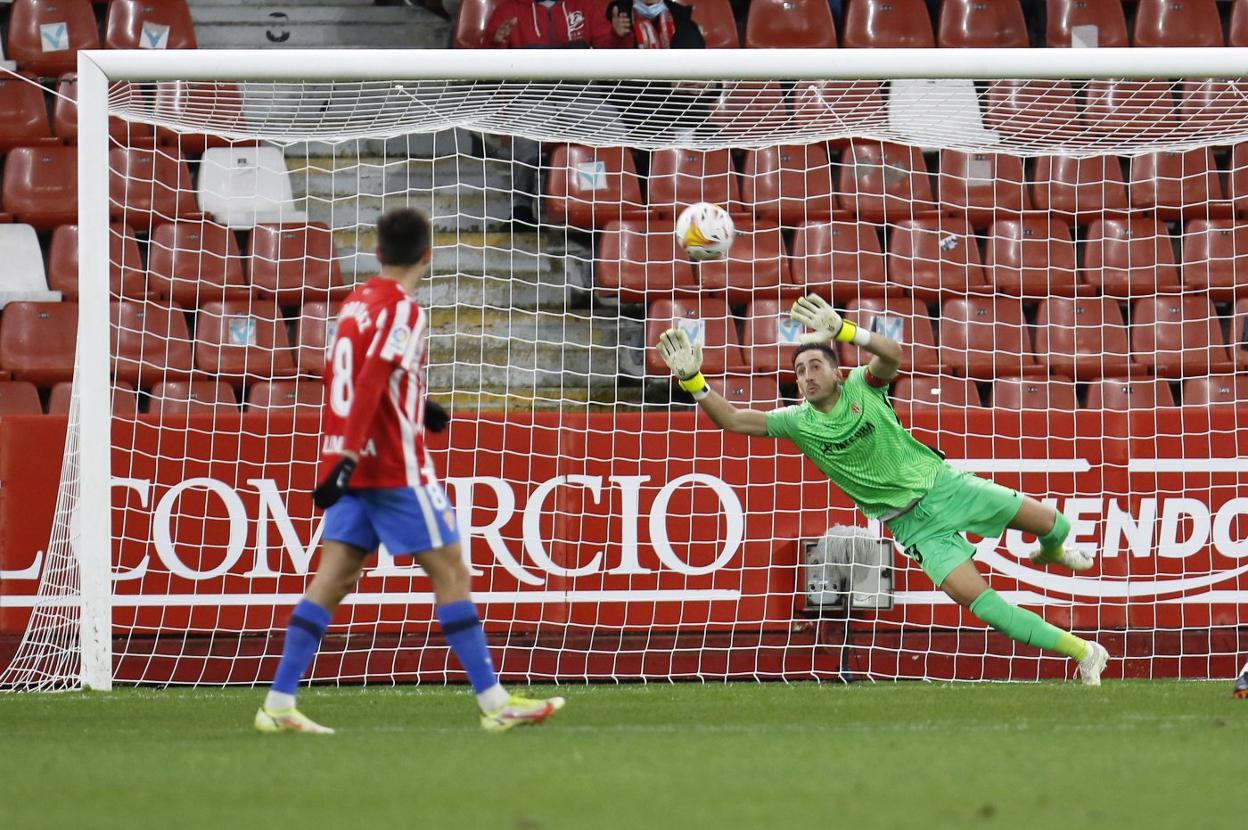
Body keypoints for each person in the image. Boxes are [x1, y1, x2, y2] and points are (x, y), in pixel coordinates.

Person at [655, 294, 1111, 684]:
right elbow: (733, 419)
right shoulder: (797, 422)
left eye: (816, 365)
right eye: (799, 370)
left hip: (944, 486)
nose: (807, 374)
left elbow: (891, 355)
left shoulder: (864, 387)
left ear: (836, 373)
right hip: (913, 527)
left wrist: (848, 330)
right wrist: (693, 380)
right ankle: (1084, 653)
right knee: (980, 603)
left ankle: (1051, 551)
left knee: (1057, 524)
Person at [255, 208, 565, 734]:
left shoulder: (353, 304)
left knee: (334, 579)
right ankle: (494, 703)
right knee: (453, 574)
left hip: (352, 462)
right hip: (395, 468)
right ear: (428, 254)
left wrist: (416, 408)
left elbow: (348, 374)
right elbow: (375, 374)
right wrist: (353, 454)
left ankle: (278, 703)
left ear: (377, 254)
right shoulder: (404, 310)